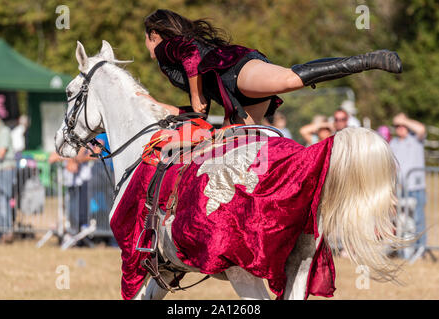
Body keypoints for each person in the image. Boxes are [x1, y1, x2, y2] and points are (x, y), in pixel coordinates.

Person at [140, 9, 402, 126]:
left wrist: (196, 97)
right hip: (235, 97)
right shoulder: (170, 62)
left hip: (234, 70)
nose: (146, 45)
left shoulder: (166, 47)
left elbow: (190, 53)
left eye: (146, 39)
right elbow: (199, 113)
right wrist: (155, 104)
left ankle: (367, 60)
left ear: (154, 34)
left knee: (290, 79)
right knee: (233, 157)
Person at [389, 113, 427, 258]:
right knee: (402, 222)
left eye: (402, 125)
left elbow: (421, 129)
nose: (400, 128)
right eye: (397, 125)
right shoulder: (393, 143)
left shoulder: (416, 139)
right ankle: (403, 250)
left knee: (418, 220)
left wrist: (404, 120)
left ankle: (421, 249)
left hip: (416, 188)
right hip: (400, 189)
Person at [0, 111, 15, 243]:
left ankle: (7, 232)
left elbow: (0, 153)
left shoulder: (4, 131)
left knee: (3, 201)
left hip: (4, 170)